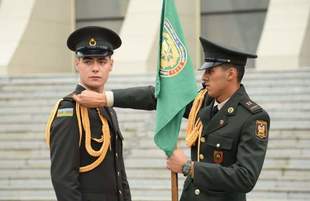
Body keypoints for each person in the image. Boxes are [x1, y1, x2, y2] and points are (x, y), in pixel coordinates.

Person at [73, 36, 270, 201]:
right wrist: (105, 98)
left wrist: (188, 167)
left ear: (231, 74)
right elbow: (158, 97)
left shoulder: (252, 118)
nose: (204, 78)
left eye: (210, 71)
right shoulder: (205, 102)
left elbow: (245, 178)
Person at [45, 26, 131, 201]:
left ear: (111, 65)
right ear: (77, 64)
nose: (95, 68)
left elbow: (119, 173)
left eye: (102, 61)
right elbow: (63, 178)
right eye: (88, 61)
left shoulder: (108, 108)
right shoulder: (69, 109)